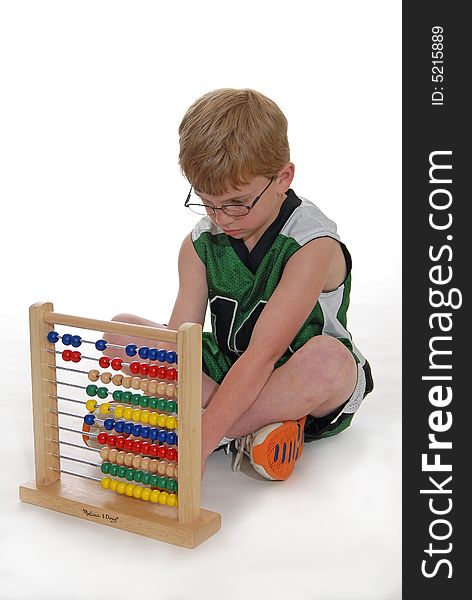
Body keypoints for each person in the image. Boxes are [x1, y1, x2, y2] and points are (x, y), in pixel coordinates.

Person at [112, 88, 374, 481]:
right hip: (228, 367)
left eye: (237, 202)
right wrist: (163, 371)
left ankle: (208, 431)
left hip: (296, 377)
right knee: (122, 332)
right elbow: (179, 342)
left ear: (283, 178)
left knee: (329, 361)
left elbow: (262, 356)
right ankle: (251, 432)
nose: (222, 218)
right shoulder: (200, 244)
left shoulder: (311, 245)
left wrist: (195, 445)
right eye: (207, 202)